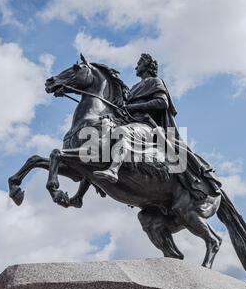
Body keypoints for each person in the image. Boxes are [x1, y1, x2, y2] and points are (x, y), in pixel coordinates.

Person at [93, 54, 221, 200]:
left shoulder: (155, 81)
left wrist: (135, 107)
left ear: (147, 66)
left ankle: (114, 170)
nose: (136, 66)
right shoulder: (135, 87)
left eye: (139, 63)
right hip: (132, 122)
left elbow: (162, 102)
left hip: (148, 126)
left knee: (121, 132)